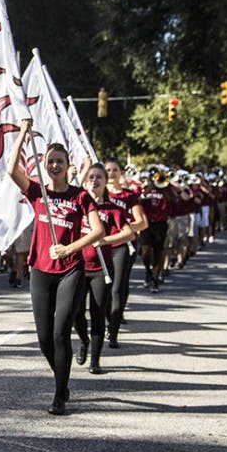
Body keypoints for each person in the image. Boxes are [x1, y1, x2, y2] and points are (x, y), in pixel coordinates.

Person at [7, 121, 103, 415]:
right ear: (45, 165)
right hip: (41, 269)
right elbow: (11, 171)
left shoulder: (80, 196)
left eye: (60, 161)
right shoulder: (37, 192)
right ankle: (61, 373)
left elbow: (97, 231)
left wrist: (69, 248)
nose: (55, 165)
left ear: (68, 165)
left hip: (70, 269)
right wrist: (23, 134)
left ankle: (59, 393)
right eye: (51, 161)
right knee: (44, 338)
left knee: (61, 333)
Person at [72, 164, 134, 374]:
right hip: (78, 267)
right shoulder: (76, 206)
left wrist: (105, 239)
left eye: (99, 177)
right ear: (84, 180)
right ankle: (83, 340)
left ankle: (95, 361)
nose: (94, 181)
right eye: (91, 177)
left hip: (101, 269)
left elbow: (129, 234)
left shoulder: (113, 210)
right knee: (75, 313)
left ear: (105, 183)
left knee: (98, 313)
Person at [104, 159, 146, 347]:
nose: (111, 173)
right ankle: (106, 318)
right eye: (108, 170)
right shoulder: (97, 194)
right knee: (103, 287)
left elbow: (142, 222)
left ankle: (113, 329)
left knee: (118, 286)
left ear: (121, 173)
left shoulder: (129, 196)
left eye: (115, 170)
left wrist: (122, 228)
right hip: (102, 245)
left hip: (122, 245)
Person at [137, 168, 171, 293]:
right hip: (147, 223)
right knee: (145, 250)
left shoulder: (166, 189)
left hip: (161, 223)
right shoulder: (145, 189)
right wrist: (148, 191)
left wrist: (164, 189)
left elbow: (173, 200)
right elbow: (138, 202)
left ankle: (155, 279)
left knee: (158, 251)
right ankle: (148, 271)